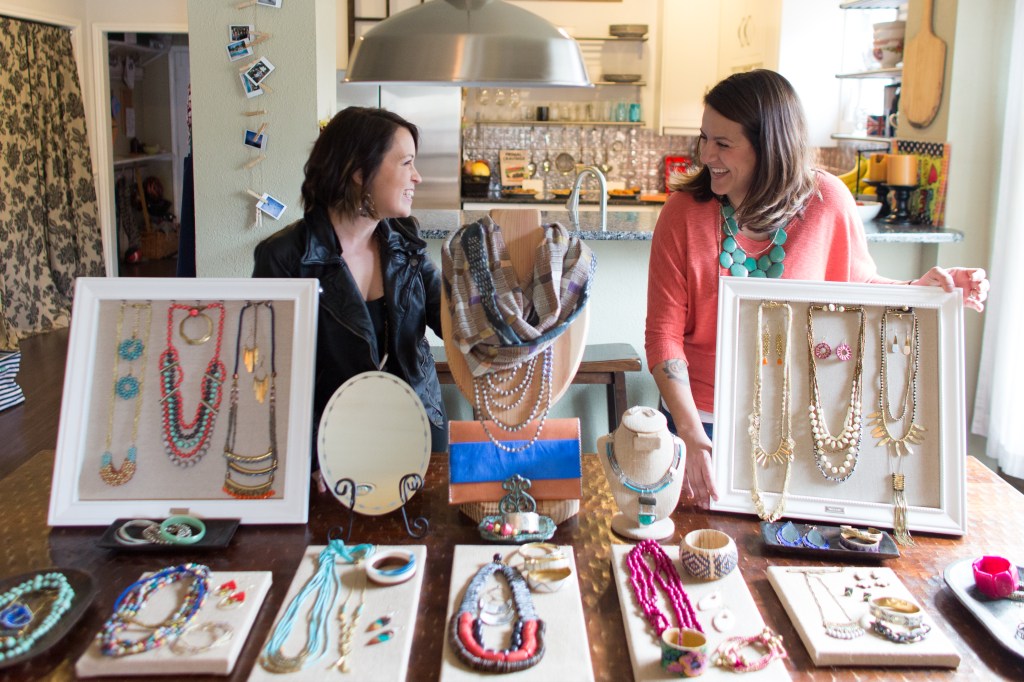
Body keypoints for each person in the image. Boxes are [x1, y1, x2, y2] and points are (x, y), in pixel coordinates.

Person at [645, 70, 989, 507]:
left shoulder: (827, 201)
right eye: (704, 138)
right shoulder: (682, 215)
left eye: (724, 143)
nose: (707, 154)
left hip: (797, 418)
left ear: (769, 147)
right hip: (700, 420)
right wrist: (691, 435)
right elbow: (663, 336)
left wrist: (924, 289)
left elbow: (860, 289)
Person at [253, 106, 448, 465]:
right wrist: (309, 456)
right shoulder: (284, 257)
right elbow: (271, 377)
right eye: (406, 163)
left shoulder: (405, 239)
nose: (417, 177)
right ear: (359, 171)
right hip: (330, 446)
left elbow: (451, 319)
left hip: (418, 429)